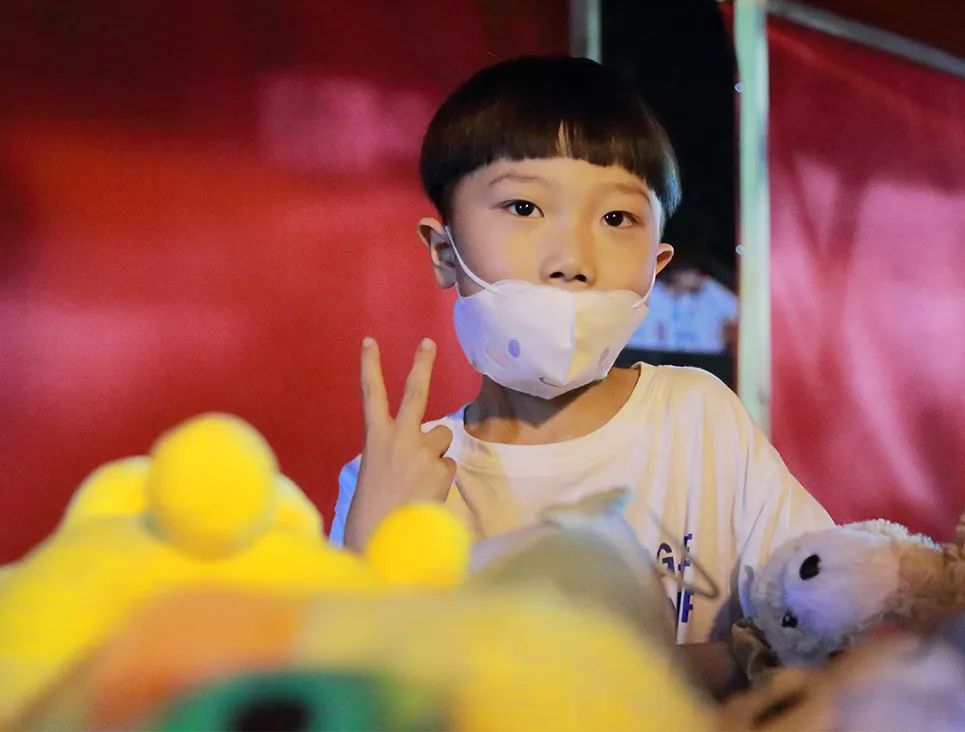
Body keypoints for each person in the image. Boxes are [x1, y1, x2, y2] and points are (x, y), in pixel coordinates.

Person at [329, 56, 832, 695]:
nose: (571, 259)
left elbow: (825, 614)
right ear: (445, 252)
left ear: (657, 265)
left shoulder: (699, 417)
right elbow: (347, 694)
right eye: (523, 206)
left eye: (617, 219)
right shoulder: (388, 476)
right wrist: (374, 550)